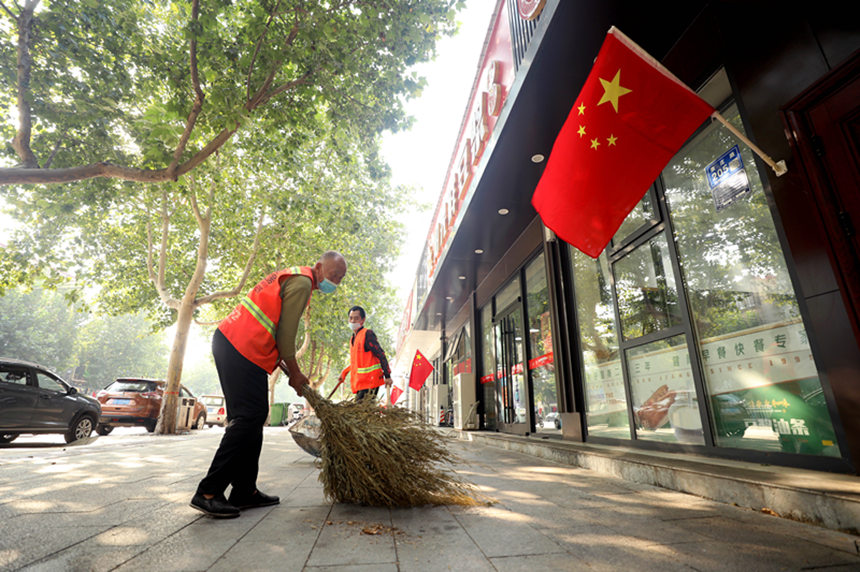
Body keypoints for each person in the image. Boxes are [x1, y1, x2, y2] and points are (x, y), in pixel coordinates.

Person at [190, 251, 347, 518]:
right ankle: (208, 491)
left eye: (340, 279)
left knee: (255, 416)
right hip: (239, 347)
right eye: (334, 276)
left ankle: (244, 491)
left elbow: (272, 330)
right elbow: (286, 333)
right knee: (248, 417)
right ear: (319, 267)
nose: (336, 282)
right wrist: (296, 373)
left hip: (237, 346)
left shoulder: (296, 277)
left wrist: (288, 369)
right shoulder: (303, 282)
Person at [337, 305, 392, 402]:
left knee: (358, 413)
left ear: (362, 320)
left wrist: (387, 376)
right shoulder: (353, 338)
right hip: (361, 384)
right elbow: (357, 362)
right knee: (361, 414)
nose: (353, 321)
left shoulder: (367, 334)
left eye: (356, 318)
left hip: (370, 383)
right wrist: (344, 372)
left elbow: (381, 354)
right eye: (351, 318)